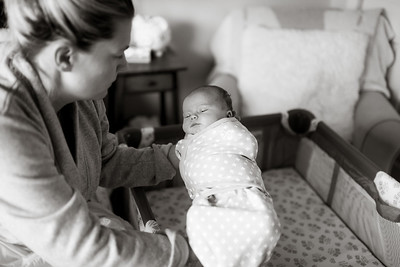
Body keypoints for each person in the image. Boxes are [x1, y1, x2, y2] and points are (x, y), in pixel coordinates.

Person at [0, 0, 189, 266]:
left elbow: (105, 161)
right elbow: (80, 248)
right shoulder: (8, 124)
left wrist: (175, 157)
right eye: (117, 54)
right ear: (66, 57)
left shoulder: (82, 93)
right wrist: (184, 251)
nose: (124, 65)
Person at [175, 85, 281, 267]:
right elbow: (182, 155)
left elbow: (247, 143)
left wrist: (230, 125)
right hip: (207, 199)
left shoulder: (230, 132)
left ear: (229, 116)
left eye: (202, 110)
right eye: (187, 115)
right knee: (197, 220)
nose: (193, 116)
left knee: (262, 223)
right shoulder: (190, 143)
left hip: (241, 191)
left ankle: (250, 260)